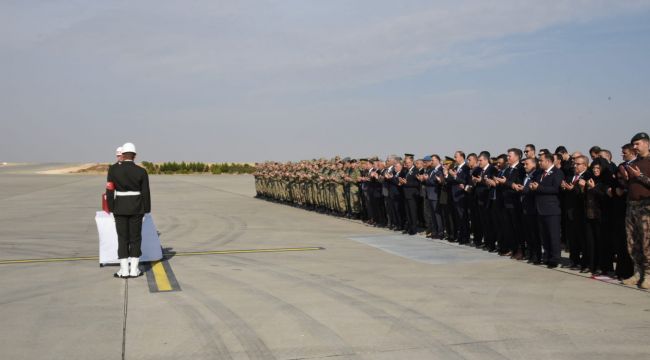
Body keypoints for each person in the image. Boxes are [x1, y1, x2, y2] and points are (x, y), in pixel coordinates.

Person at [106, 142, 151, 278]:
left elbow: (109, 191)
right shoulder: (141, 171)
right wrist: (146, 210)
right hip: (137, 208)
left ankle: (124, 270)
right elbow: (145, 193)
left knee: (122, 238)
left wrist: (112, 208)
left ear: (123, 155)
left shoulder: (113, 170)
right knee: (136, 238)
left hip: (119, 208)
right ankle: (134, 270)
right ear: (134, 156)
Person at [621, 132, 650, 289]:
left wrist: (640, 176)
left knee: (647, 242)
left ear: (646, 143)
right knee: (633, 241)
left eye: (638, 144)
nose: (635, 147)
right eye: (634, 144)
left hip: (646, 207)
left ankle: (648, 275)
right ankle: (638, 272)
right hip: (631, 206)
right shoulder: (634, 162)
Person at [530, 152, 564, 268]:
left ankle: (555, 258)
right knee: (544, 235)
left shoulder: (557, 172)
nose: (539, 163)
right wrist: (532, 186)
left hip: (551, 209)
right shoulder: (539, 173)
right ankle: (547, 256)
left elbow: (555, 189)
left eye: (541, 161)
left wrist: (539, 187)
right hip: (540, 208)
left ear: (548, 161)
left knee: (553, 235)